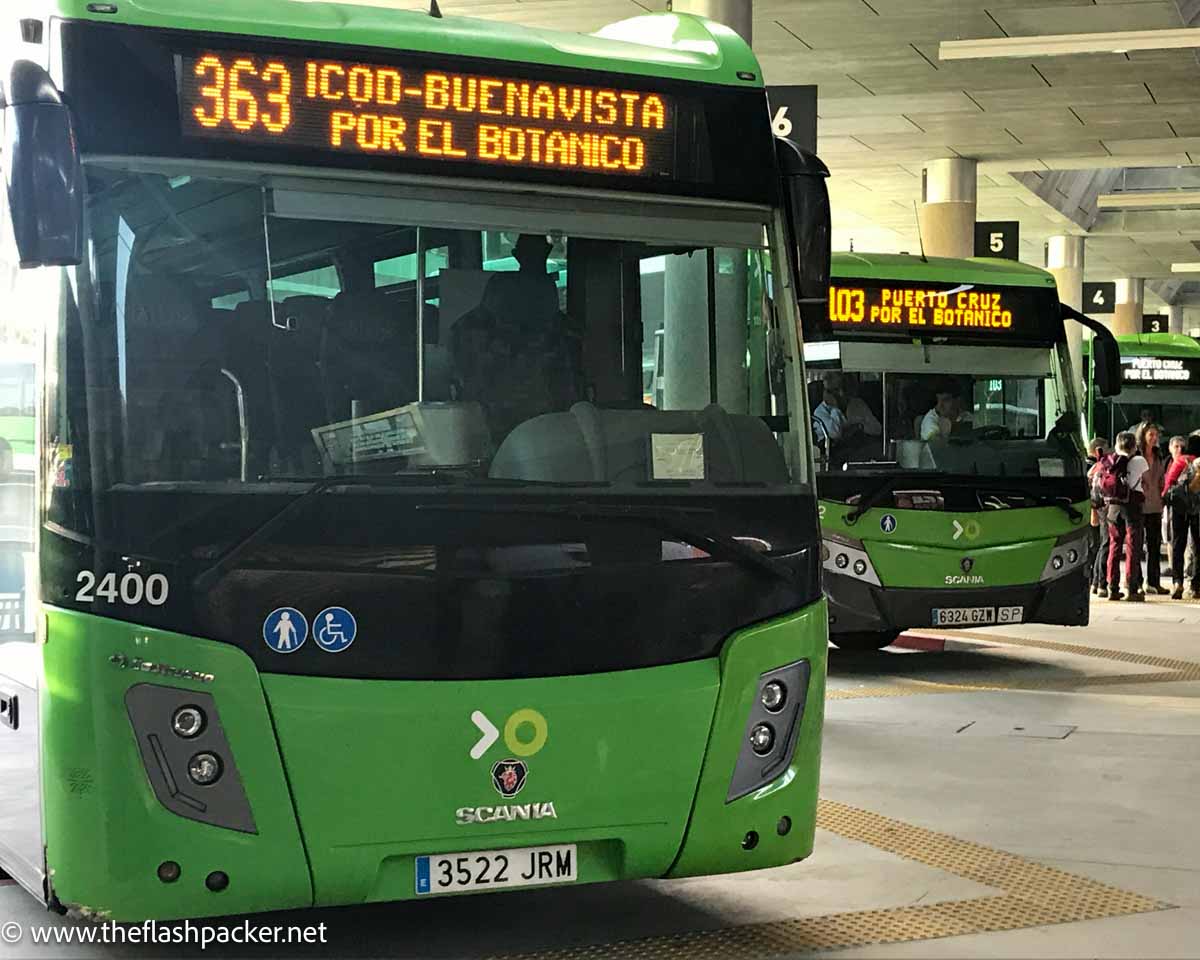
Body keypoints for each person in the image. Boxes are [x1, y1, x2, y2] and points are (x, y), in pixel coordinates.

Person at [1102, 431, 1149, 601]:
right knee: (1132, 547)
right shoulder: (1139, 461)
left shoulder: (1109, 461)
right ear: (1134, 445)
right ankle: (1131, 588)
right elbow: (1144, 478)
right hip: (1132, 506)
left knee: (1114, 545)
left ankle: (1112, 588)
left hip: (1113, 506)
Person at [1164, 434, 1200, 600]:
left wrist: (1164, 498)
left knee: (1178, 544)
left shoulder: (1181, 461)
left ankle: (1177, 582)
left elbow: (1169, 483)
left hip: (1179, 508)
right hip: (1197, 509)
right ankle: (1195, 584)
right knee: (1198, 546)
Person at [1135, 422, 1166, 594]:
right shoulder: (1137, 455)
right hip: (1139, 505)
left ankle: (1153, 582)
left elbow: (1161, 477)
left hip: (1155, 505)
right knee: (1137, 545)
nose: (1154, 438)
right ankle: (1137, 582)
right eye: (1151, 435)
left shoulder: (1158, 455)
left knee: (1154, 546)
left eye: (1156, 435)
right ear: (1143, 435)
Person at [1086, 437, 1110, 596]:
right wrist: (1093, 511)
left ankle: (1094, 582)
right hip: (1097, 510)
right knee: (1100, 546)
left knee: (1097, 546)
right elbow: (1093, 493)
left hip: (1094, 511)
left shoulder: (1090, 466)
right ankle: (1096, 581)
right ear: (1098, 450)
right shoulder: (1095, 467)